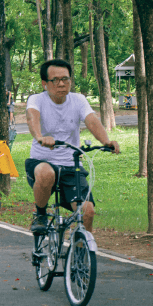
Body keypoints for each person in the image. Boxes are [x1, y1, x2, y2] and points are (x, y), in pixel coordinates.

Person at [26, 59, 120, 234]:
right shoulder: (36, 100)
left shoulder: (78, 100)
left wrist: (106, 142)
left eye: (66, 79)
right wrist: (40, 137)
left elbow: (91, 121)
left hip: (71, 166)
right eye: (55, 80)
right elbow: (32, 118)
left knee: (88, 212)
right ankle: (40, 214)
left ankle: (80, 255)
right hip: (41, 162)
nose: (61, 84)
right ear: (44, 84)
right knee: (47, 173)